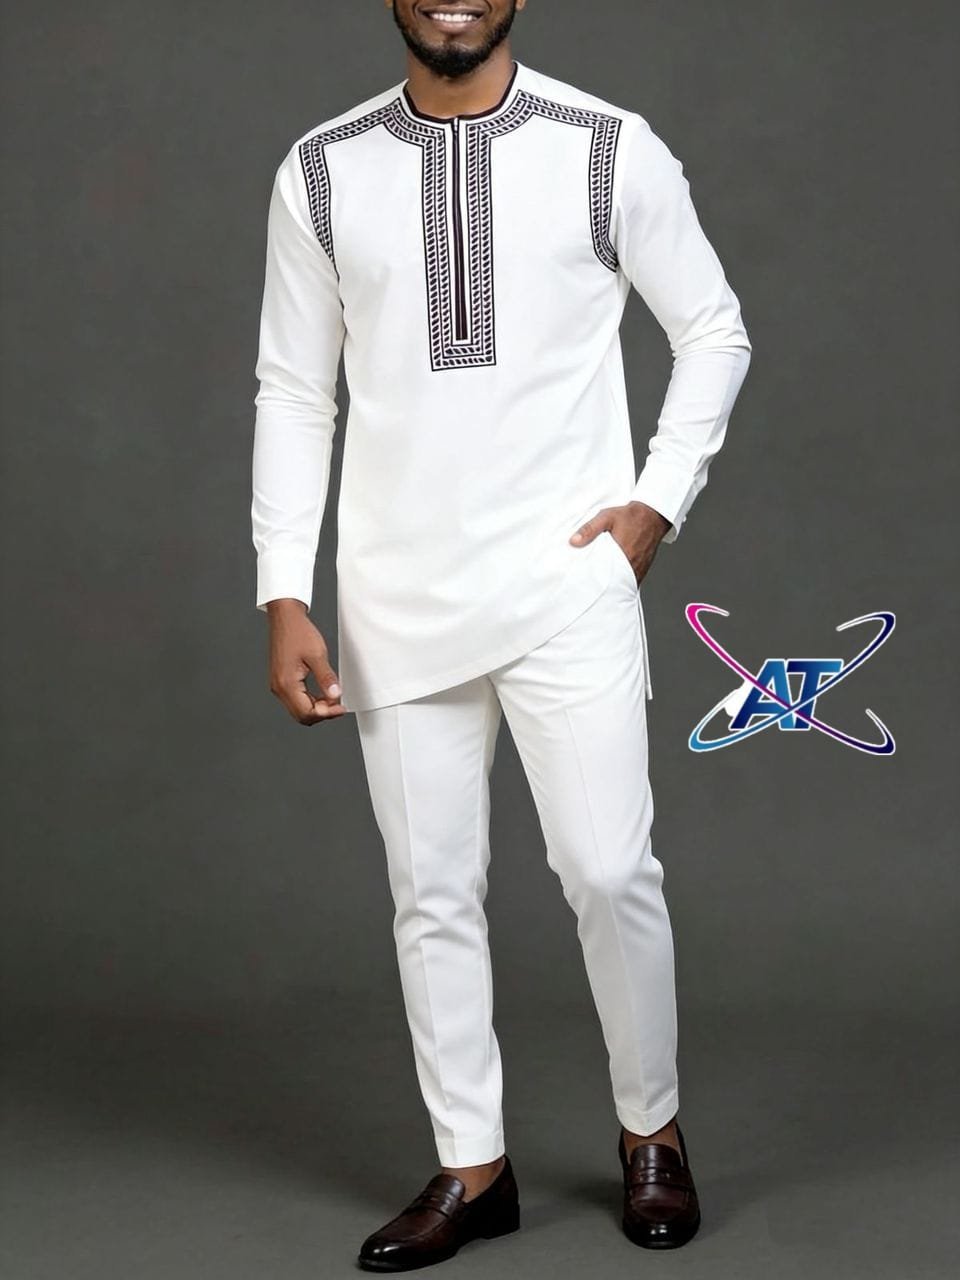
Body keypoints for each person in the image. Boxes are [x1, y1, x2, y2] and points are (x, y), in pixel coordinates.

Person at [251, 0, 751, 1270]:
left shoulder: (606, 146)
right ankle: (472, 1165)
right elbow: (296, 388)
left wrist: (656, 501)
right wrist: (283, 587)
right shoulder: (323, 169)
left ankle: (652, 1128)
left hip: (565, 580)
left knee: (607, 867)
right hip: (396, 591)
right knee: (431, 888)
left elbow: (713, 329)